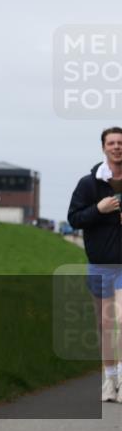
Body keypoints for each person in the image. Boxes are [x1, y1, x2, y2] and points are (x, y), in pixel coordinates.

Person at [68, 126, 122, 403]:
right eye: (111, 143)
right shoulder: (89, 184)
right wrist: (98, 210)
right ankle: (109, 379)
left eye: (120, 142)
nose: (117, 147)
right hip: (100, 265)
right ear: (103, 148)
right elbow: (74, 218)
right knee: (105, 324)